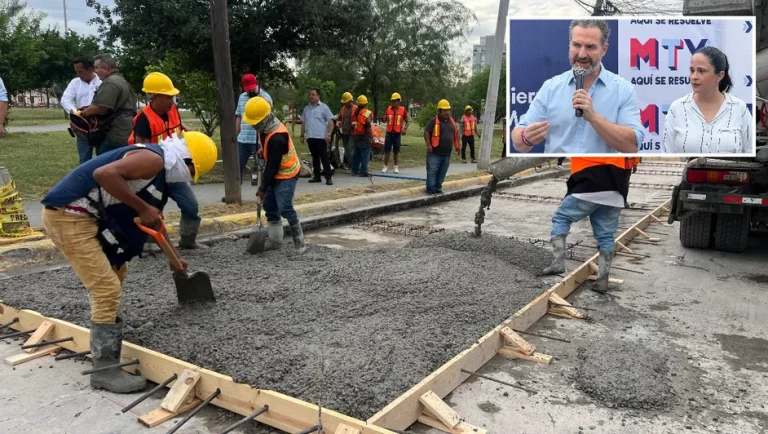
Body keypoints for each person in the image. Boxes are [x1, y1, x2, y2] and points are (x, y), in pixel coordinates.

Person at [40, 131, 217, 394]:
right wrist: (142, 208)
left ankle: (112, 333)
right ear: (187, 160)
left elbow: (153, 219)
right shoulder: (154, 160)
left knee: (116, 273)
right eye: (191, 172)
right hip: (69, 217)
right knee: (106, 288)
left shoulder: (159, 169)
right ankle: (104, 370)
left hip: (87, 216)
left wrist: (174, 257)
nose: (188, 179)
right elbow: (104, 175)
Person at [512, 19, 644, 154]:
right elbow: (518, 140)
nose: (581, 54)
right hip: (559, 173)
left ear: (604, 50)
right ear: (570, 45)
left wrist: (593, 117)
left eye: (590, 47)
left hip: (601, 172)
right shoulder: (551, 87)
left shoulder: (623, 90)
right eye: (576, 45)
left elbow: (632, 145)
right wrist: (526, 138)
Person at [127, 72, 207, 250]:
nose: (172, 100)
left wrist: (192, 135)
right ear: (154, 96)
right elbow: (141, 149)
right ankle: (150, 244)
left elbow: (178, 128)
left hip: (175, 168)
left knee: (191, 205)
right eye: (168, 97)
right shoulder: (143, 119)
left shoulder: (173, 111)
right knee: (152, 208)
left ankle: (188, 240)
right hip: (153, 173)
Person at [540, 157, 634, 293]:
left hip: (588, 186)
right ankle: (602, 280)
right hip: (615, 192)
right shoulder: (617, 141)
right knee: (606, 236)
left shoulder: (584, 140)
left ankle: (557, 263)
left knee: (561, 218)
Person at [242, 96, 306, 252]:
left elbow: (272, 166)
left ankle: (300, 242)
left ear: (264, 119)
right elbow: (269, 151)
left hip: (287, 173)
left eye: (255, 123)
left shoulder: (277, 136)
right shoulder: (264, 128)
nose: (253, 126)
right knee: (270, 205)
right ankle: (276, 241)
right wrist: (263, 150)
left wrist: (263, 187)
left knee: (285, 207)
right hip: (275, 170)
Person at [662, 46, 752, 154]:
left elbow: (749, 151)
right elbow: (667, 151)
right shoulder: (677, 108)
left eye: (701, 71)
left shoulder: (739, 108)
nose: (694, 76)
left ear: (719, 76)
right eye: (692, 70)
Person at [80, 54, 137, 155]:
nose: (94, 71)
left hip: (114, 134)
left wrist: (83, 113)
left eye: (97, 68)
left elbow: (100, 107)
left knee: (107, 166)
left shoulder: (110, 82)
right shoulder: (121, 81)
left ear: (105, 69)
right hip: (125, 130)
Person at [61, 57, 102, 164]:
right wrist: (76, 113)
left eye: (80, 71)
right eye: (76, 71)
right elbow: (65, 99)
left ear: (90, 69)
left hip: (101, 125)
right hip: (82, 127)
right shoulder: (75, 83)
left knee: (103, 158)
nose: (78, 74)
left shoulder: (102, 82)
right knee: (84, 160)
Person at [235, 73, 273, 183]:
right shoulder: (242, 97)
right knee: (238, 168)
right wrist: (236, 134)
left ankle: (264, 193)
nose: (250, 91)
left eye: (251, 89)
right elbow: (239, 116)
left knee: (263, 168)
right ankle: (236, 193)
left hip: (259, 140)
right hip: (242, 140)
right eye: (247, 89)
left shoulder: (264, 96)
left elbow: (269, 107)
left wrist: (263, 101)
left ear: (256, 84)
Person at [423, 99, 459, 195]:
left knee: (442, 173)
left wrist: (457, 146)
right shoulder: (433, 121)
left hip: (446, 154)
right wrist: (428, 145)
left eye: (448, 110)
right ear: (439, 111)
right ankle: (430, 190)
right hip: (434, 153)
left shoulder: (452, 122)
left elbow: (455, 135)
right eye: (444, 110)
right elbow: (426, 132)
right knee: (432, 172)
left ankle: (438, 188)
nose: (447, 112)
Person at [300, 89, 335, 185]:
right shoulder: (306, 108)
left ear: (318, 96)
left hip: (320, 137)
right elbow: (303, 122)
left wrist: (329, 134)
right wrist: (302, 135)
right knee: (314, 157)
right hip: (310, 137)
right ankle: (317, 176)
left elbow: (331, 121)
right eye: (310, 94)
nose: (311, 96)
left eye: (313, 94)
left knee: (324, 157)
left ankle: (328, 177)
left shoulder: (324, 107)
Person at [382, 92, 409, 173]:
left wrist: (405, 129)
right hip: (389, 133)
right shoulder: (388, 109)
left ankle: (395, 167)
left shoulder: (403, 110)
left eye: (395, 101)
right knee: (387, 150)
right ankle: (385, 166)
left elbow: (407, 121)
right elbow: (384, 120)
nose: (393, 102)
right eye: (392, 101)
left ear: (399, 101)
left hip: (397, 133)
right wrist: (383, 118)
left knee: (396, 151)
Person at [350, 95, 374, 177]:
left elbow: (352, 125)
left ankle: (354, 170)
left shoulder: (354, 113)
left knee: (356, 154)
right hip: (364, 136)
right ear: (366, 104)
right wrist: (372, 137)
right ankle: (363, 171)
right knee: (365, 154)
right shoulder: (367, 113)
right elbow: (368, 126)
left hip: (356, 135)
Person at [337, 92, 357, 169]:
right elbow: (339, 118)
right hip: (344, 132)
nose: (345, 104)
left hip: (352, 132)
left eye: (346, 102)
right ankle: (350, 164)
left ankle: (353, 166)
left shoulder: (356, 109)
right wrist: (337, 122)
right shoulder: (343, 109)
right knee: (347, 149)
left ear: (350, 101)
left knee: (350, 148)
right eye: (344, 102)